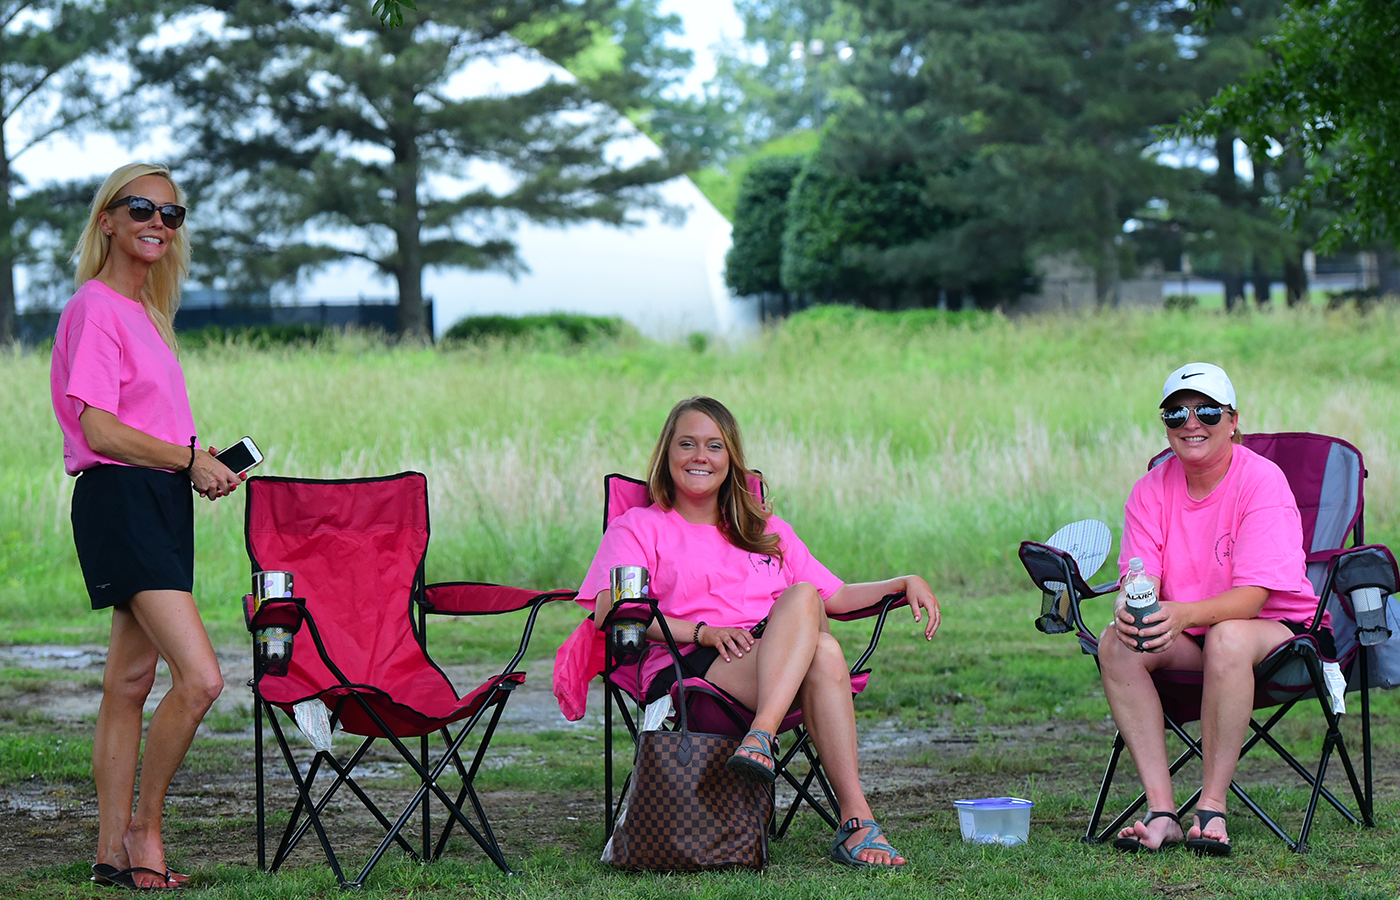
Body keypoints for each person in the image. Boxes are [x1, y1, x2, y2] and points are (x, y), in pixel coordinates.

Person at [580, 396, 940, 869]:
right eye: (686, 444)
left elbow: (835, 595)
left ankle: (771, 747)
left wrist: (902, 581)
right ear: (667, 454)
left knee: (815, 623)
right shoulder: (641, 526)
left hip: (768, 662)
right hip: (691, 666)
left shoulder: (762, 528)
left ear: (731, 460)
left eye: (714, 446)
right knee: (820, 639)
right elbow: (611, 608)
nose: (700, 456)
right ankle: (851, 818)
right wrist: (703, 632)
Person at [50, 163, 243, 890]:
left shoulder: (145, 316)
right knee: (200, 679)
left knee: (130, 681)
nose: (158, 223)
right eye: (141, 209)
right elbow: (98, 428)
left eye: (171, 214)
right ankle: (144, 829)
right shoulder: (97, 307)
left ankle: (109, 852)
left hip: (156, 499)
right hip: (123, 500)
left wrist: (198, 459)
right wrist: (189, 458)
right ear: (107, 220)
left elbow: (141, 422)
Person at [1101, 363, 1333, 857]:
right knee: (1116, 645)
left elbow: (1252, 599)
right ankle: (1162, 812)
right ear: (1164, 424)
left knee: (1228, 634)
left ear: (1232, 422)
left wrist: (1181, 615)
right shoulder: (1150, 490)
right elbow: (1141, 581)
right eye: (1175, 413)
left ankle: (1211, 807)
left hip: (1277, 632)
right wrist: (1129, 606)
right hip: (1194, 634)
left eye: (1206, 410)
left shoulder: (1262, 481)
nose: (1191, 423)